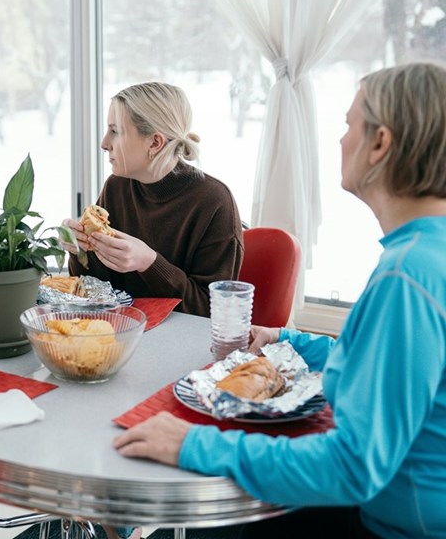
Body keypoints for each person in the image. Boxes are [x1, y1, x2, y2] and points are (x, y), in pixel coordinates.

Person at [112, 63, 446, 538]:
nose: (339, 140)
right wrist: (288, 341)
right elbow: (389, 368)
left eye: (349, 125)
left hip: (396, 524)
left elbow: (352, 467)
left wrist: (195, 444)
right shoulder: (426, 253)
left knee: (207, 523)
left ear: (381, 144)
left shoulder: (406, 276)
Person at [61, 81, 243, 317]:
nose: (104, 144)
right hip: (123, 333)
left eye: (115, 131)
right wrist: (79, 248)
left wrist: (149, 262)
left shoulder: (214, 202)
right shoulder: (116, 187)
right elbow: (98, 288)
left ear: (155, 143)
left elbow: (214, 311)